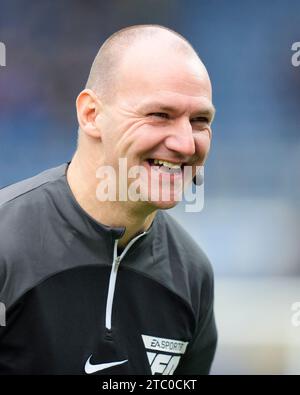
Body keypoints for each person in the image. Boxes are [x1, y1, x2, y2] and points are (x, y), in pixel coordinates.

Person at [0, 24, 217, 375]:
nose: (185, 144)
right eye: (159, 115)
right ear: (91, 115)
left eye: (199, 121)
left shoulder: (192, 274)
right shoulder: (6, 242)